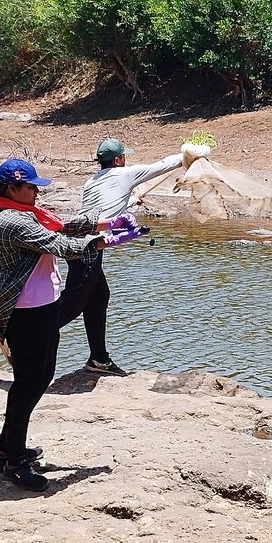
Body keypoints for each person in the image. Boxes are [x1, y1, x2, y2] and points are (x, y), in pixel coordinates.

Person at [0, 157, 138, 490]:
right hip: (25, 312)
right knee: (29, 383)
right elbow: (60, 244)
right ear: (12, 188)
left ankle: (7, 448)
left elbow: (62, 226)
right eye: (30, 186)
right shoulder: (13, 222)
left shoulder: (25, 214)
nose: (36, 191)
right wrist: (112, 240)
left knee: (39, 376)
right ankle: (13, 461)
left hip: (43, 306)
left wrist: (107, 224)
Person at [56, 137, 209, 376]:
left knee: (98, 296)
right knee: (73, 303)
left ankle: (98, 359)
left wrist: (129, 201)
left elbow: (105, 206)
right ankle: (21, 337)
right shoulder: (125, 174)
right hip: (87, 247)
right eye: (124, 156)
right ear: (118, 159)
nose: (126, 159)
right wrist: (188, 154)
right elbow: (161, 166)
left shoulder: (91, 181)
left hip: (82, 243)